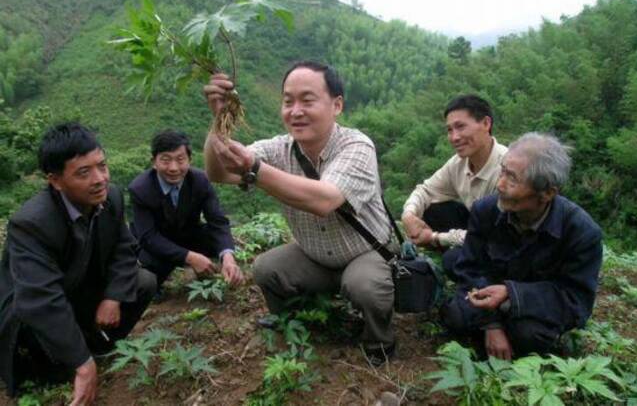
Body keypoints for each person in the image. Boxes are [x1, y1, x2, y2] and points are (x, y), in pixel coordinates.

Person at [203, 61, 395, 365]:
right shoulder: (280, 148)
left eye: (307, 100)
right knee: (267, 268)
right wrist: (219, 120)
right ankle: (296, 321)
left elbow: (324, 200)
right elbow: (218, 172)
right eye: (288, 101)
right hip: (315, 255)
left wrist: (255, 170)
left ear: (337, 105)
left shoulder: (357, 146)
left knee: (365, 286)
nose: (295, 110)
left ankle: (379, 342)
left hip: (364, 252)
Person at [0, 123, 156, 404]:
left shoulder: (112, 198)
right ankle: (63, 364)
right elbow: (41, 299)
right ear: (55, 180)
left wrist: (113, 297)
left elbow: (124, 247)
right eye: (84, 172)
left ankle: (95, 349)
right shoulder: (31, 224)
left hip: (78, 288)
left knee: (143, 281)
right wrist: (80, 362)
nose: (100, 179)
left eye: (102, 166)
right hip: (32, 308)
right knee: (34, 328)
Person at [441, 132, 602, 359]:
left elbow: (576, 299)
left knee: (529, 335)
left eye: (512, 179)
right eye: (503, 171)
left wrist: (511, 294)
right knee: (456, 315)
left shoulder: (581, 232)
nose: (500, 184)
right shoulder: (485, 210)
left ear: (547, 192)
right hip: (489, 294)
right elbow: (470, 268)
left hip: (533, 307)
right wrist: (492, 324)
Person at [401, 95, 508, 276]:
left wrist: (435, 238)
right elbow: (426, 190)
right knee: (433, 209)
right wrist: (409, 215)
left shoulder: (507, 168)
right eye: (450, 130)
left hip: (501, 242)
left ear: (486, 123)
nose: (454, 137)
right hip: (477, 226)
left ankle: (484, 281)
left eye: (460, 127)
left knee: (453, 261)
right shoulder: (458, 163)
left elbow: (491, 235)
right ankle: (460, 253)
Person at [128, 130, 243, 290]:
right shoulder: (140, 189)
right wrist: (190, 257)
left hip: (187, 234)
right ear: (154, 162)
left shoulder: (200, 180)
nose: (174, 168)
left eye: (180, 160)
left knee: (217, 241)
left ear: (189, 159)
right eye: (165, 160)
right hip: (157, 243)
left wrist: (227, 256)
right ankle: (158, 285)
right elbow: (149, 237)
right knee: (150, 269)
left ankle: (219, 267)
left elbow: (217, 221)